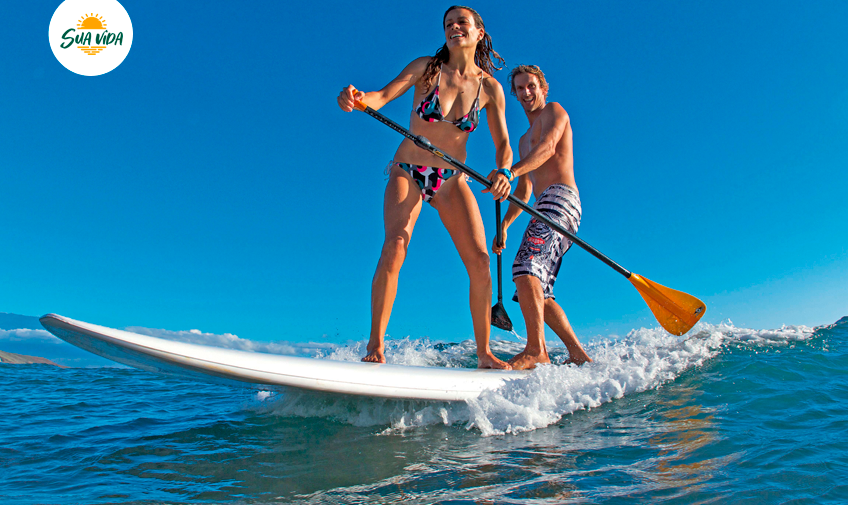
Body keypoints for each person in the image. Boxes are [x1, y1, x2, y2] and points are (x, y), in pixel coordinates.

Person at [337, 5, 514, 369]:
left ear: (479, 32)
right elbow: (381, 97)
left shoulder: (490, 88)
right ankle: (375, 346)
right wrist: (357, 99)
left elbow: (504, 145)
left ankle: (484, 353)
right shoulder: (426, 69)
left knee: (481, 262)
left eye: (461, 22)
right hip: (409, 169)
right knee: (396, 244)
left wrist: (505, 172)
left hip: (451, 180)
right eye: (448, 24)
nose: (453, 28)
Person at [492, 65, 592, 369]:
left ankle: (536, 350)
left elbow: (548, 149)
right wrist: (504, 226)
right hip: (542, 205)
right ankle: (579, 356)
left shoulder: (554, 111)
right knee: (533, 292)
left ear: (543, 88)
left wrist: (508, 171)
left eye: (531, 86)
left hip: (561, 198)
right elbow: (524, 192)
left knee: (526, 269)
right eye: (520, 89)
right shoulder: (523, 141)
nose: (526, 93)